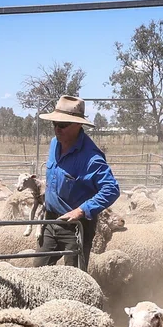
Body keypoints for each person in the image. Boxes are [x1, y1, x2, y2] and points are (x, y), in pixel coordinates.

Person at [34, 95, 120, 271]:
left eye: (63, 125)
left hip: (75, 227)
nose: (57, 129)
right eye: (54, 124)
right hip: (50, 220)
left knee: (74, 277)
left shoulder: (91, 157)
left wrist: (81, 210)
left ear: (78, 125)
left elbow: (111, 189)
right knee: (37, 270)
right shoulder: (54, 144)